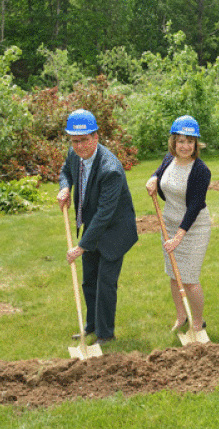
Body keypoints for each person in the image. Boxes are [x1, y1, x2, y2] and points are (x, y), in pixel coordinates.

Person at [57, 109, 138, 345]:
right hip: (91, 226)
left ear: (96, 137)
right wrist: (65, 187)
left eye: (84, 140)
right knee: (89, 280)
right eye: (74, 141)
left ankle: (105, 334)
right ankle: (91, 325)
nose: (79, 146)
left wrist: (81, 247)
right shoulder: (75, 156)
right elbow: (65, 172)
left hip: (114, 231)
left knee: (105, 283)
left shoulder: (110, 169)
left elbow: (104, 215)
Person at [145, 115, 211, 332]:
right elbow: (160, 172)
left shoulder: (201, 171)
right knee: (174, 276)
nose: (185, 146)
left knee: (189, 279)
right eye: (181, 141)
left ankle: (198, 322)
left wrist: (178, 237)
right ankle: (181, 316)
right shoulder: (168, 159)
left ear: (196, 144)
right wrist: (153, 178)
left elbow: (194, 207)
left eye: (190, 141)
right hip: (169, 224)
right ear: (173, 142)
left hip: (193, 229)